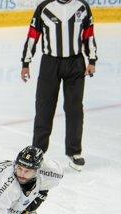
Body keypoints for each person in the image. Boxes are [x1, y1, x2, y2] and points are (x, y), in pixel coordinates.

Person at [21, 0, 98, 171]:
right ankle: (38, 151)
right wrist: (26, 63)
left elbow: (89, 34)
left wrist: (92, 60)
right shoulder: (44, 7)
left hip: (76, 63)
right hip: (50, 64)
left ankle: (74, 152)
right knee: (44, 107)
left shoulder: (82, 7)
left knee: (74, 108)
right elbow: (33, 35)